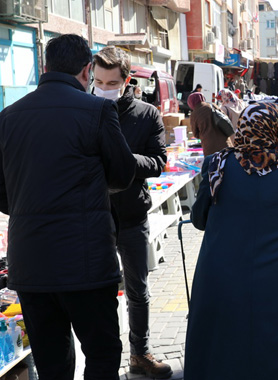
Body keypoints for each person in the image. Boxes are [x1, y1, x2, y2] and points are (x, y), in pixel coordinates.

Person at [0, 34, 136, 379]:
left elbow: (3, 197)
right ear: (87, 70)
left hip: (31, 266)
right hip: (85, 263)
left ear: (45, 66)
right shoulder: (99, 110)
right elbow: (123, 173)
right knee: (103, 356)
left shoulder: (8, 116)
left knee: (51, 365)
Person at [185, 103, 278, 379]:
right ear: (277, 131)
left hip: (222, 274)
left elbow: (199, 220)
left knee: (223, 345)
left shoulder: (216, 165)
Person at [91, 46, 172, 379]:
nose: (103, 87)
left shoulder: (146, 114)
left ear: (125, 81)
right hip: (93, 218)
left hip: (132, 217)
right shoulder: (86, 109)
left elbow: (158, 162)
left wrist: (124, 160)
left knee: (138, 291)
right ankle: (103, 359)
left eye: (111, 82)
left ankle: (140, 353)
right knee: (98, 292)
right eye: (97, 80)